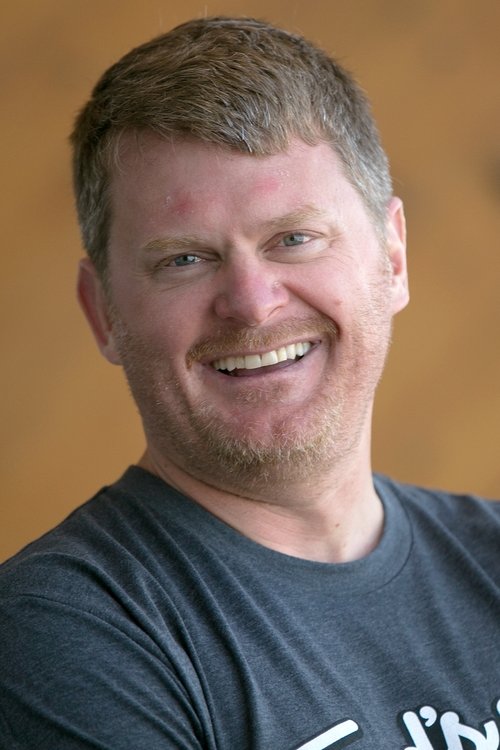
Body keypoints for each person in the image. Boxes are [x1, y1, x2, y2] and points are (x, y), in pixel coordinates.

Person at [0, 16, 498, 750]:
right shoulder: (65, 632)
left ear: (392, 258)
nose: (252, 303)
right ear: (102, 311)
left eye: (294, 239)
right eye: (184, 259)